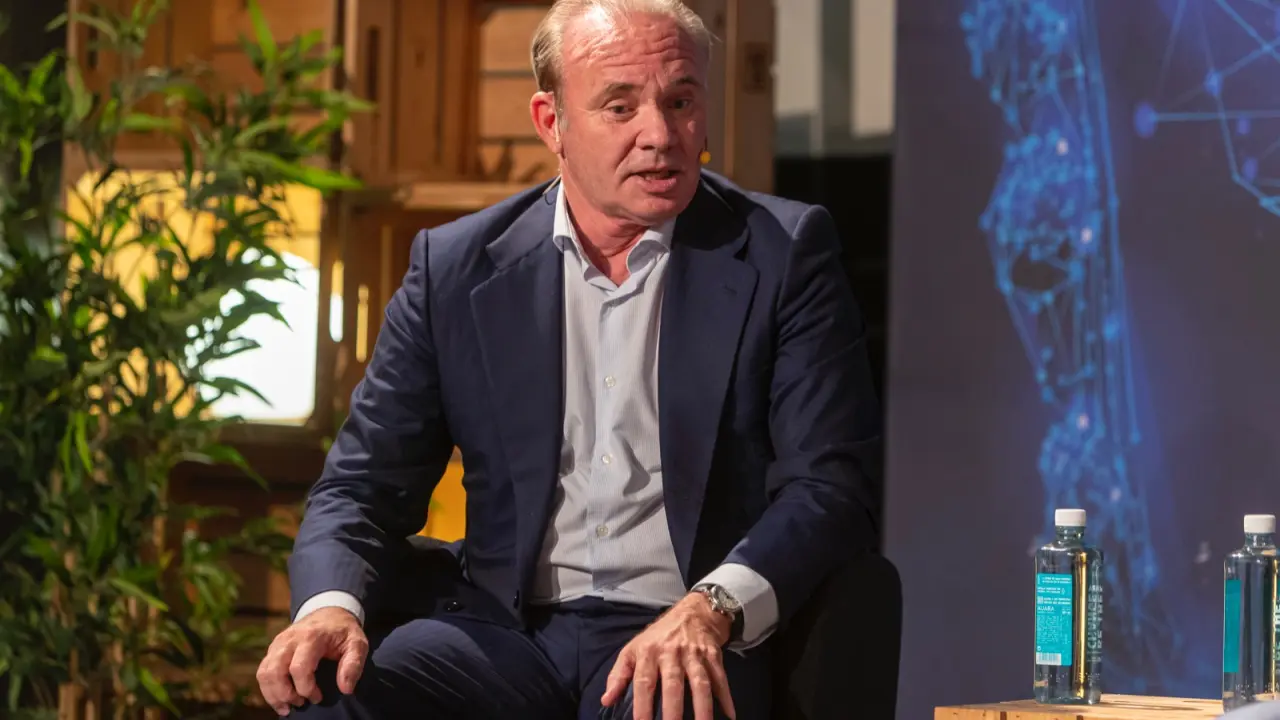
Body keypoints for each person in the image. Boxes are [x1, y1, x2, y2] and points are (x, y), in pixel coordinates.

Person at [254, 0, 881, 718]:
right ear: (551, 122)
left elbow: (831, 485)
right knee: (333, 696)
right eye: (621, 107)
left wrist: (713, 607)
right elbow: (360, 488)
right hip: (499, 632)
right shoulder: (457, 268)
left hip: (682, 625)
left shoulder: (783, 254)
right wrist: (329, 609)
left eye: (681, 102)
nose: (660, 135)